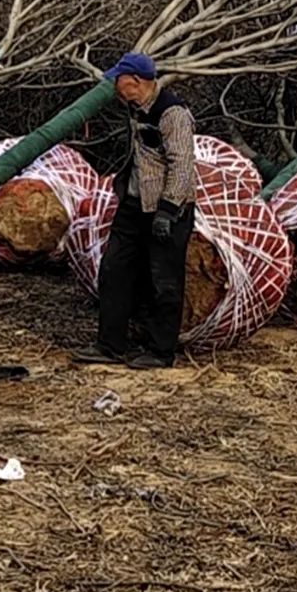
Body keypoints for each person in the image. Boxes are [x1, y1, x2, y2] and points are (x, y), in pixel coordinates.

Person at [74, 51, 196, 370]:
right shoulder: (134, 107)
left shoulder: (172, 113)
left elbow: (182, 165)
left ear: (135, 82)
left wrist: (168, 211)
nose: (114, 86)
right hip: (133, 203)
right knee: (115, 270)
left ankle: (161, 351)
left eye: (119, 80)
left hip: (166, 210)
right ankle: (110, 344)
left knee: (163, 280)